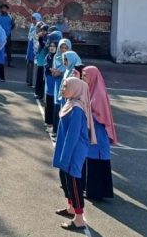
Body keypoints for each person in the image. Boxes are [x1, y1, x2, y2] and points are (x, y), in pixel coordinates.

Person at [53, 77, 96, 232]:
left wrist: (65, 156)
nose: (63, 89)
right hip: (67, 148)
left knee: (73, 181)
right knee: (64, 178)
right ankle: (70, 208)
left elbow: (73, 136)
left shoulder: (77, 108)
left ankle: (79, 219)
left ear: (75, 89)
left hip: (73, 150)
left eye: (65, 87)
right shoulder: (70, 103)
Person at [81, 65, 117, 200]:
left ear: (93, 77)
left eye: (85, 76)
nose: (83, 78)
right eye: (83, 75)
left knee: (96, 162)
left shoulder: (98, 94)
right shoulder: (91, 90)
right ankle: (95, 191)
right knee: (92, 161)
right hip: (93, 133)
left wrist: (86, 111)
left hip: (98, 134)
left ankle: (96, 193)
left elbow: (100, 116)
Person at [52, 39, 75, 135]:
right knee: (56, 104)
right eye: (61, 47)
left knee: (62, 107)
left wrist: (60, 72)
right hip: (57, 83)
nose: (63, 49)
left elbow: (70, 71)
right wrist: (54, 72)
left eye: (66, 47)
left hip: (66, 86)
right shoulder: (56, 57)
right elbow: (54, 69)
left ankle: (60, 132)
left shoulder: (71, 58)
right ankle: (55, 130)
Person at [43, 41, 58, 129]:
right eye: (50, 46)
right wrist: (49, 68)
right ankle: (48, 121)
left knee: (54, 103)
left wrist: (55, 70)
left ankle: (52, 122)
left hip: (55, 82)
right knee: (48, 101)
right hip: (49, 82)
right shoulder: (48, 56)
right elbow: (46, 66)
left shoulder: (59, 57)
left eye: (54, 46)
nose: (51, 48)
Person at [26, 13, 42, 86]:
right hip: (31, 45)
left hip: (36, 46)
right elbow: (30, 37)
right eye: (32, 18)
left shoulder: (40, 26)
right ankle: (29, 80)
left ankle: (34, 82)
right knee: (29, 62)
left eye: (34, 18)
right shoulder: (32, 26)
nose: (33, 20)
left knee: (34, 63)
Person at [33, 23, 49, 100]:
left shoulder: (47, 39)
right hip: (40, 61)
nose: (43, 32)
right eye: (42, 30)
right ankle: (37, 92)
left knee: (42, 79)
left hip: (44, 63)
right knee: (38, 78)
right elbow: (37, 48)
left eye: (45, 30)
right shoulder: (41, 38)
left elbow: (44, 46)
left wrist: (40, 40)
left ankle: (40, 94)